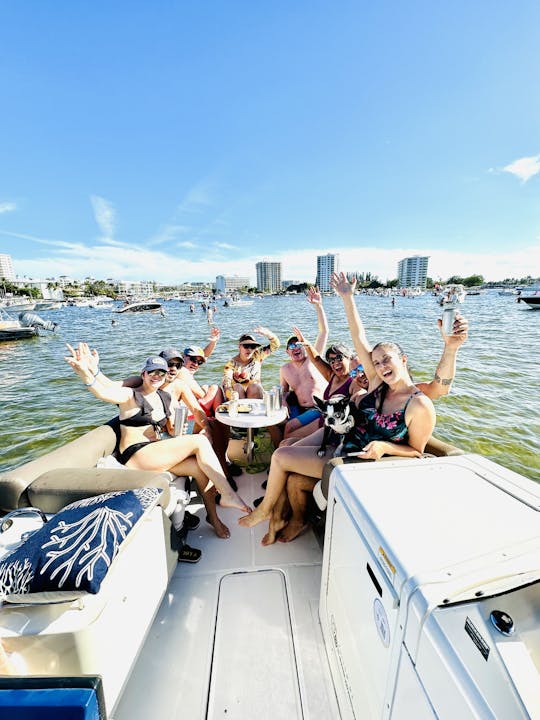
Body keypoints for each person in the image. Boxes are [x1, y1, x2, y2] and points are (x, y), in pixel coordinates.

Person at [238, 273, 437, 544]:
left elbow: (417, 452)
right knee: (286, 453)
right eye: (376, 362)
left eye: (386, 360)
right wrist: (347, 298)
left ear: (403, 359)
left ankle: (267, 511)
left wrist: (385, 447)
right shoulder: (379, 384)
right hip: (341, 441)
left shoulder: (419, 404)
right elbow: (359, 336)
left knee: (282, 457)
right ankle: (278, 516)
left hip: (359, 461)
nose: (380, 367)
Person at [64, 342, 250, 541]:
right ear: (143, 374)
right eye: (153, 372)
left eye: (162, 373)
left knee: (198, 468)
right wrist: (87, 372)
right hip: (136, 455)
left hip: (154, 451)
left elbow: (173, 426)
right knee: (199, 442)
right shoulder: (131, 395)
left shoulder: (163, 397)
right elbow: (104, 392)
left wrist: (184, 429)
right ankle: (227, 493)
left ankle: (213, 518)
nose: (158, 376)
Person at [279, 287, 330, 442]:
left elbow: (324, 332)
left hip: (318, 408)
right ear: (287, 352)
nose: (297, 348)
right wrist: (282, 401)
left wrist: (318, 306)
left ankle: (285, 452)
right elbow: (284, 391)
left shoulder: (313, 360)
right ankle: (285, 451)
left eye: (299, 345)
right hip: (298, 409)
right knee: (280, 423)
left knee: (289, 428)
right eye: (292, 347)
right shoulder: (285, 369)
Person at [222, 326, 280, 400]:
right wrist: (231, 394)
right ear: (239, 347)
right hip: (237, 396)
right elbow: (226, 383)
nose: (249, 349)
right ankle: (241, 409)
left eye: (252, 346)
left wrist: (268, 333)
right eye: (246, 346)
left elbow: (276, 345)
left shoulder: (258, 355)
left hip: (255, 392)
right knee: (237, 387)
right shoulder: (231, 363)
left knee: (254, 386)